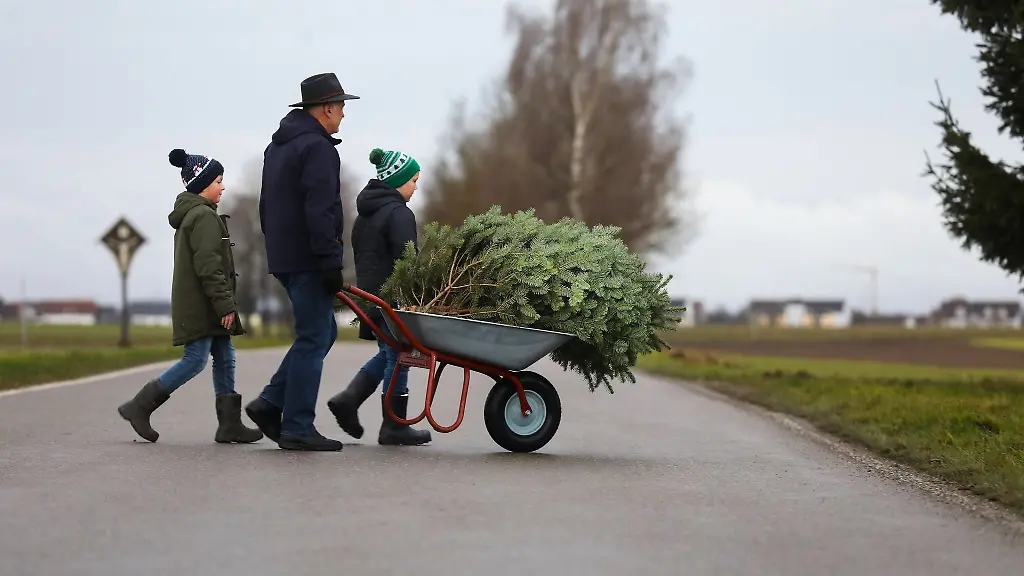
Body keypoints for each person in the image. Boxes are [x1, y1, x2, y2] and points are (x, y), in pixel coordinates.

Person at [243, 72, 359, 451]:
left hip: (285, 256)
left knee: (322, 331)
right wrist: (330, 261)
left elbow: (265, 206)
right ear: (326, 108)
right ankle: (296, 425)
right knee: (313, 337)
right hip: (310, 258)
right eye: (341, 106)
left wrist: (277, 249)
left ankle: (270, 402)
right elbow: (321, 208)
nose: (343, 114)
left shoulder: (277, 148)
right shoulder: (319, 149)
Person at [116, 148, 264, 445]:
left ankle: (229, 425)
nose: (223, 186)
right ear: (202, 183)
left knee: (224, 355)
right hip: (203, 304)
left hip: (206, 301)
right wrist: (225, 304)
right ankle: (140, 406)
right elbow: (209, 266)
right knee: (195, 359)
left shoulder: (196, 215)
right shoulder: (203, 217)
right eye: (218, 180)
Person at [327, 147, 432, 446]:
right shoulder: (399, 214)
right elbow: (407, 263)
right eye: (413, 180)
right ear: (398, 181)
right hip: (392, 299)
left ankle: (349, 399)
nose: (416, 186)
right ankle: (394, 425)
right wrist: (414, 299)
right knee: (400, 355)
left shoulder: (365, 216)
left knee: (389, 352)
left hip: (373, 297)